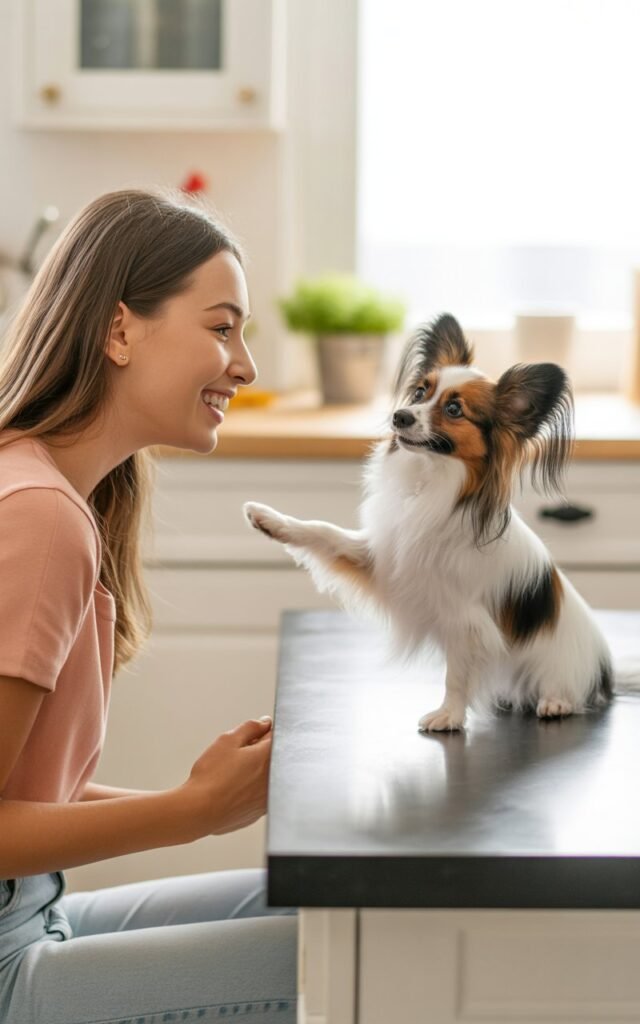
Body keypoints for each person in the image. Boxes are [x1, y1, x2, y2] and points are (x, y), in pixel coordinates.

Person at [0, 187, 297, 1024]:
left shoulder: (44, 488)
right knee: (359, 960)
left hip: (30, 915)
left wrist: (204, 797)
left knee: (336, 919)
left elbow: (32, 788)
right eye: (220, 326)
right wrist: (192, 813)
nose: (244, 366)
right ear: (120, 329)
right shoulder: (40, 516)